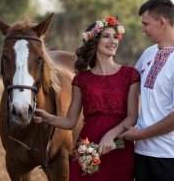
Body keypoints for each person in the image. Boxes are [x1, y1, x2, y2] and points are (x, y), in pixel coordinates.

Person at [33, 16, 140, 181]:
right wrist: (48, 117)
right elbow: (70, 121)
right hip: (87, 150)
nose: (113, 41)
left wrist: (111, 135)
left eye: (115, 36)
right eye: (106, 36)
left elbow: (132, 116)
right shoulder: (81, 80)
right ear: (94, 42)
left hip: (118, 149)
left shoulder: (130, 75)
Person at [119, 0, 174, 181]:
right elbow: (128, 82)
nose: (143, 30)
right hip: (142, 154)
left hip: (171, 157)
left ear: (162, 22)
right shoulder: (149, 53)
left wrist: (140, 134)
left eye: (146, 24)